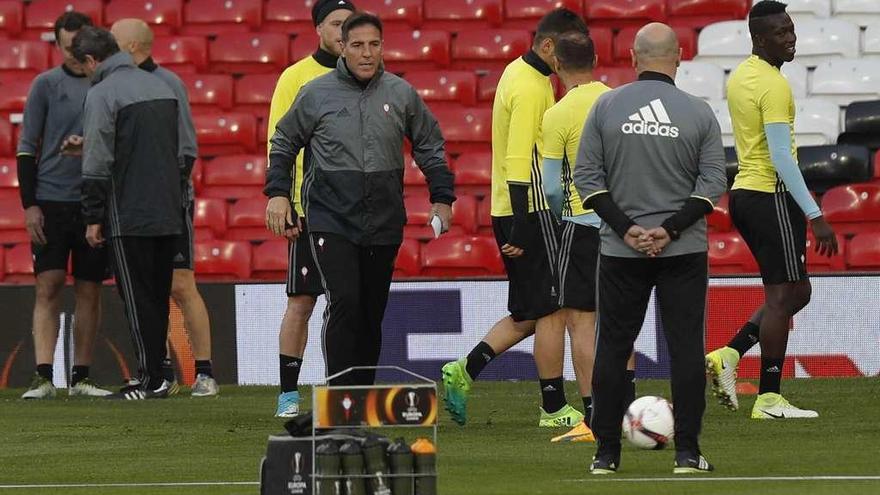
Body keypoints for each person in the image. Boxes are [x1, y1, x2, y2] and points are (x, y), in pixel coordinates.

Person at [265, 12, 455, 387]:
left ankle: (362, 395)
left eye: (374, 45)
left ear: (382, 47)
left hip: (384, 219)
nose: (367, 53)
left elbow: (429, 145)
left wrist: (442, 197)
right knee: (345, 302)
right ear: (343, 48)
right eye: (357, 45)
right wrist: (277, 194)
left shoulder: (401, 93)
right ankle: (340, 397)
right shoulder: (316, 93)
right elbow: (284, 142)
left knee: (371, 311)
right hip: (330, 218)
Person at [574, 23, 726, 474]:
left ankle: (605, 454)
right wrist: (670, 230)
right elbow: (714, 182)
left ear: (633, 58)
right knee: (685, 348)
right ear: (678, 57)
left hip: (621, 252)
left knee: (613, 347)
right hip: (683, 251)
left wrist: (627, 229)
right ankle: (687, 453)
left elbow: (586, 178)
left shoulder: (605, 106)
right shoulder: (698, 112)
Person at [440, 8, 588, 428]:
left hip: (514, 207)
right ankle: (554, 406)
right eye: (566, 50)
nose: (569, 60)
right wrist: (524, 224)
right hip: (530, 209)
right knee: (552, 310)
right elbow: (520, 159)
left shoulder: (521, 75)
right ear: (547, 46)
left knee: (530, 311)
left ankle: (464, 369)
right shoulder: (529, 88)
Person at [705, 0, 837, 419]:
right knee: (783, 296)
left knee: (799, 291)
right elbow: (782, 157)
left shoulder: (743, 74)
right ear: (759, 39)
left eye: (792, 29)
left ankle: (729, 353)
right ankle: (769, 398)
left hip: (746, 194)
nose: (790, 38)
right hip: (771, 195)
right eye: (781, 33)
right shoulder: (774, 86)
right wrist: (815, 214)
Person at [74, 26, 187, 400]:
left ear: (92, 60)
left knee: (137, 297)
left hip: (128, 211)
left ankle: (150, 377)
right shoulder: (163, 86)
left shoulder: (102, 93)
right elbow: (184, 151)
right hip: (169, 208)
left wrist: (93, 217)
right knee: (157, 294)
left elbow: (96, 161)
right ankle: (162, 371)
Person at [110, 18, 219, 398]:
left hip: (169, 199)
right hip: (133, 202)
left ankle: (204, 372)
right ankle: (158, 371)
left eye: (114, 43)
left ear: (132, 47)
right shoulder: (114, 87)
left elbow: (186, 145)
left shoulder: (168, 83)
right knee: (145, 288)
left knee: (181, 282)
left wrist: (170, 192)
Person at [540, 33, 638, 444]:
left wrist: (564, 213)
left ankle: (596, 416)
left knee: (582, 322)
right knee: (621, 320)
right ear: (596, 59)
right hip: (623, 223)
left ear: (557, 65)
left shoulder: (557, 114)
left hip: (581, 224)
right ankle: (629, 411)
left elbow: (550, 187)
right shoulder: (620, 102)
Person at [264, 0, 356, 417]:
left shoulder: (367, 76)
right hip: (310, 209)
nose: (343, 32)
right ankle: (288, 392)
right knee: (302, 302)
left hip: (356, 212)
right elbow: (278, 141)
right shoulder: (296, 78)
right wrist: (283, 198)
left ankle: (341, 387)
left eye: (349, 24)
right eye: (336, 24)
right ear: (318, 29)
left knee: (348, 304)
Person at [17, 11, 112, 399]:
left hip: (94, 199)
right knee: (49, 284)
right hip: (52, 200)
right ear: (56, 45)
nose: (74, 52)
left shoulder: (107, 84)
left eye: (79, 45)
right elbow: (26, 149)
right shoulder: (45, 85)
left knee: (90, 289)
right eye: (66, 45)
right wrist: (29, 205)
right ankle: (43, 376)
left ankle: (82, 377)